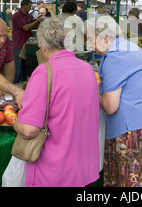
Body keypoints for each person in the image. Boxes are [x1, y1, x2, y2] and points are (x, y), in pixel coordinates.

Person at [13, 16, 100, 187]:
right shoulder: (87, 69)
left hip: (55, 172)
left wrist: (16, 121)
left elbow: (29, 130)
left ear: (43, 45)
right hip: (84, 167)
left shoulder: (44, 72)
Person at [86, 15, 142, 187]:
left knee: (128, 180)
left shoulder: (115, 57)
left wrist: (92, 93)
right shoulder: (129, 46)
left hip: (131, 134)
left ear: (105, 38)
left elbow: (110, 106)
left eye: (91, 39)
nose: (90, 46)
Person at [12, 0, 44, 83]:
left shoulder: (29, 16)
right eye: (29, 6)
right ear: (24, 6)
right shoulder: (17, 15)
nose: (30, 8)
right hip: (18, 45)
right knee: (17, 69)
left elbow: (33, 25)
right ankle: (14, 86)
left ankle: (23, 85)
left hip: (27, 45)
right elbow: (25, 27)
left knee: (25, 68)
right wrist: (37, 21)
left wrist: (39, 21)